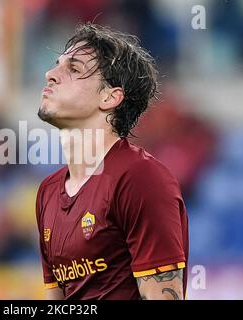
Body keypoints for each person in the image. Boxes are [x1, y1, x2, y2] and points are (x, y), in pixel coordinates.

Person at [35, 23, 189, 300]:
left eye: (74, 69)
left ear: (110, 97)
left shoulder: (140, 177)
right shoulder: (47, 191)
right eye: (56, 65)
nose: (50, 75)